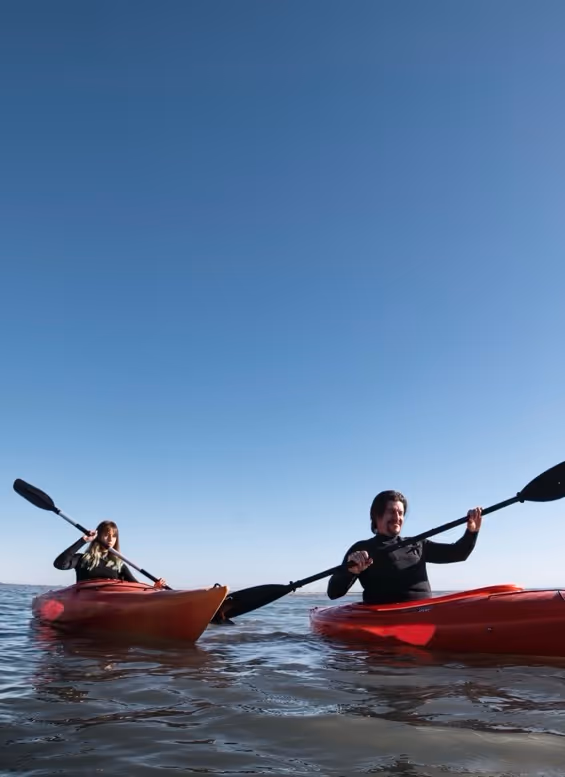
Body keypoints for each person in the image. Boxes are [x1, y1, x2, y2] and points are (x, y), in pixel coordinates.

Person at [327, 490, 482, 605]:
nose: (397, 518)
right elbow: (333, 593)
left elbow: (458, 553)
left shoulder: (417, 543)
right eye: (391, 512)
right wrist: (350, 571)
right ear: (376, 516)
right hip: (387, 617)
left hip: (425, 611)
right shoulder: (363, 549)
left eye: (401, 513)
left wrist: (472, 531)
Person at [53, 520, 166, 588]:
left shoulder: (118, 565)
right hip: (86, 603)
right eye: (107, 535)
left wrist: (155, 588)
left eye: (114, 536)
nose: (111, 539)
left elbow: (136, 586)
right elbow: (59, 564)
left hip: (109, 605)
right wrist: (83, 540)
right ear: (98, 536)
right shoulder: (82, 559)